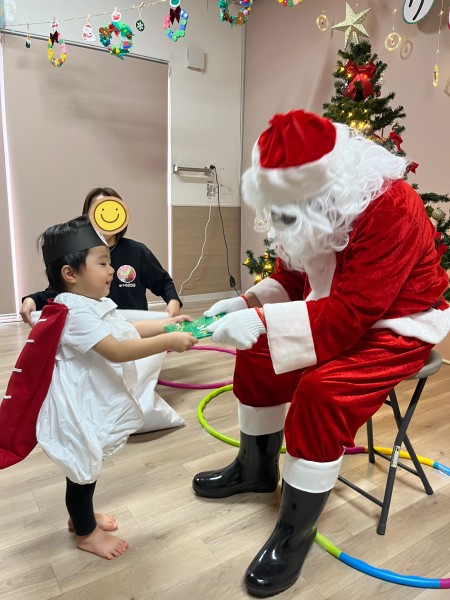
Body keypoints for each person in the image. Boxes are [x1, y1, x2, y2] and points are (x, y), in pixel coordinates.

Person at [192, 109, 450, 597]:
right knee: (257, 354)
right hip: (338, 310)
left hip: (398, 321)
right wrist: (248, 302)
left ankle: (296, 530)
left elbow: (355, 311)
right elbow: (295, 274)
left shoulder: (393, 206)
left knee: (322, 392)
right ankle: (255, 469)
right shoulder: (305, 200)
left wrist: (262, 321)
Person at [35, 215, 197, 559]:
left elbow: (127, 329)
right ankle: (86, 534)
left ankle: (81, 517)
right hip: (76, 403)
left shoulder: (90, 304)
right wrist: (169, 341)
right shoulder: (76, 313)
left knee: (86, 466)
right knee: (83, 466)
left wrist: (168, 325)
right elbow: (117, 350)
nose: (112, 270)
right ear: (70, 274)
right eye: (102, 263)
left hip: (88, 395)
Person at [19, 187, 182, 325]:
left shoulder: (137, 251)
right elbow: (58, 291)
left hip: (133, 329)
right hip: (94, 329)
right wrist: (32, 300)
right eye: (99, 210)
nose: (110, 270)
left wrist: (173, 300)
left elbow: (162, 282)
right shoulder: (77, 256)